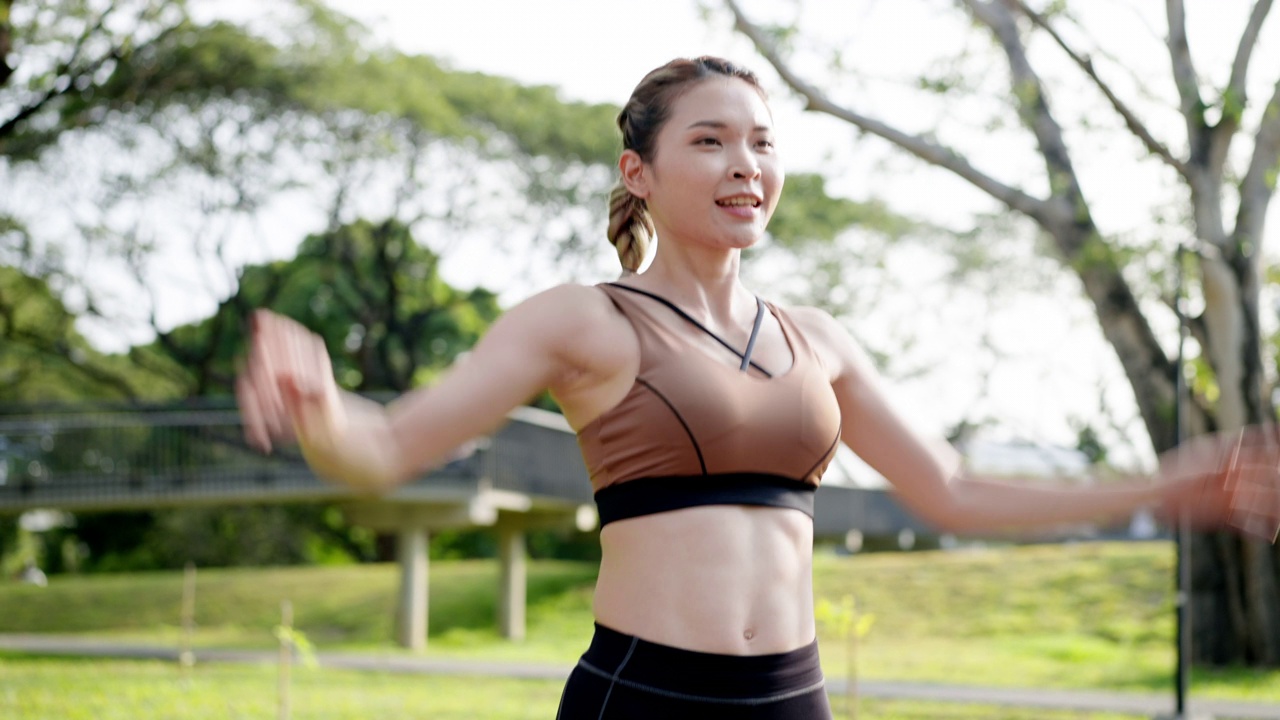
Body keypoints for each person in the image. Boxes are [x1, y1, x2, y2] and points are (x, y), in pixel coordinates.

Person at [236, 56, 1280, 720]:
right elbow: (384, 449)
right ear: (636, 170)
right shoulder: (582, 320)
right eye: (709, 139)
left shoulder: (814, 339)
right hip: (643, 699)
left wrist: (1154, 487)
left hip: (792, 699)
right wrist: (319, 406)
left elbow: (952, 490)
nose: (745, 164)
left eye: (761, 142)